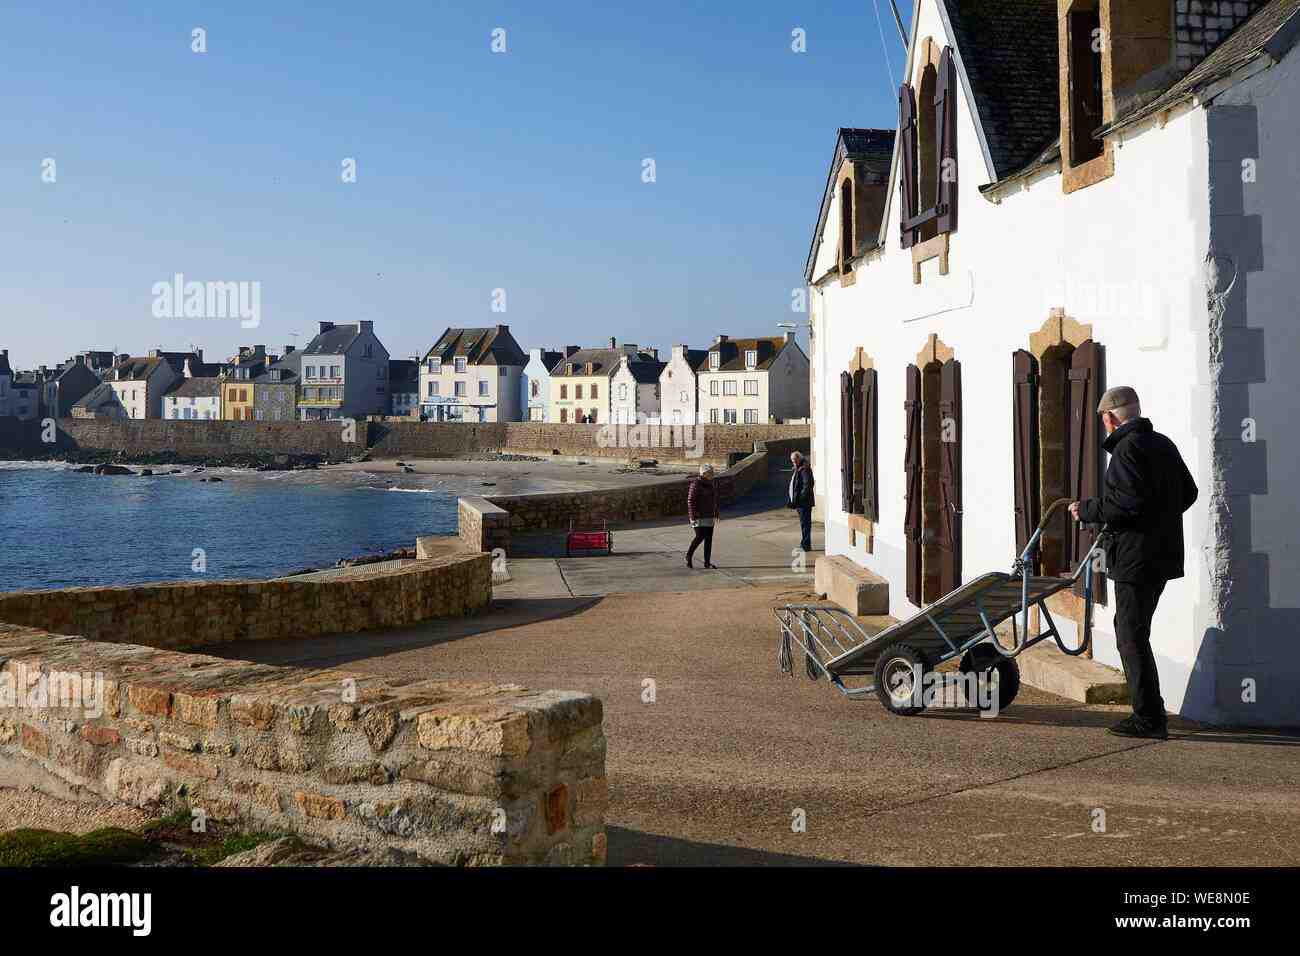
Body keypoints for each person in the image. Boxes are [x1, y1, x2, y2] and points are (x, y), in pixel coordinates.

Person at [1069, 386, 1198, 740]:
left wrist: (1088, 509)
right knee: (1135, 630)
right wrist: (1159, 522)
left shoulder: (1126, 450)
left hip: (1134, 558)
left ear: (1110, 418)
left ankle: (1148, 718)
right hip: (1162, 555)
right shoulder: (1163, 444)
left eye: (1104, 420)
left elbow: (1126, 504)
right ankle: (1149, 713)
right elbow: (1189, 493)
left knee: (1130, 635)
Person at [686, 463, 720, 569]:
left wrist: (716, 511)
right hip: (699, 516)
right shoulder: (696, 484)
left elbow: (713, 499)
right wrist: (693, 515)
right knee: (700, 536)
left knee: (708, 539)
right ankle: (689, 555)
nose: (713, 474)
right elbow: (690, 500)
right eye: (711, 472)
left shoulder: (711, 484)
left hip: (709, 515)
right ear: (704, 473)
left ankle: (707, 562)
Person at [788, 451, 815, 552]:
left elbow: (807, 484)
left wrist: (801, 498)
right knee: (804, 523)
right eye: (793, 462)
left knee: (805, 524)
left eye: (795, 461)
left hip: (804, 503)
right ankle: (804, 542)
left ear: (799, 458)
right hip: (801, 502)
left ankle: (806, 545)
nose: (794, 463)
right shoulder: (800, 468)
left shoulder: (804, 469)